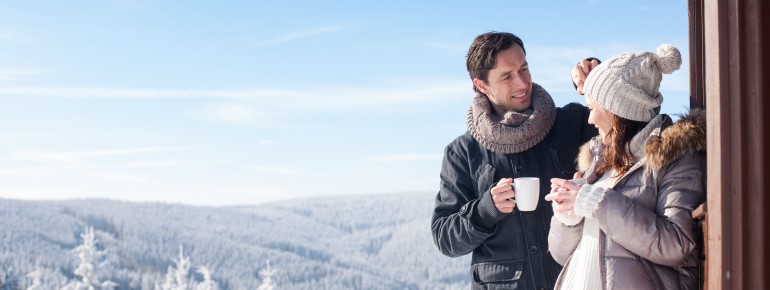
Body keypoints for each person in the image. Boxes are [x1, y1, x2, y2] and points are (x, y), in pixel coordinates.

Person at [431, 31, 598, 290]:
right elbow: (445, 238)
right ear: (482, 86)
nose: (522, 83)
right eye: (507, 77)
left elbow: (635, 124)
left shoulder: (572, 123)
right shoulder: (461, 153)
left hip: (573, 280)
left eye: (524, 69)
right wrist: (485, 210)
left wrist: (597, 81)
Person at [545, 44, 706, 289]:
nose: (590, 119)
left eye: (592, 108)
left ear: (619, 111)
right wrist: (568, 216)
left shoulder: (674, 158)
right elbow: (560, 254)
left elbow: (676, 244)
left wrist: (596, 201)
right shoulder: (601, 161)